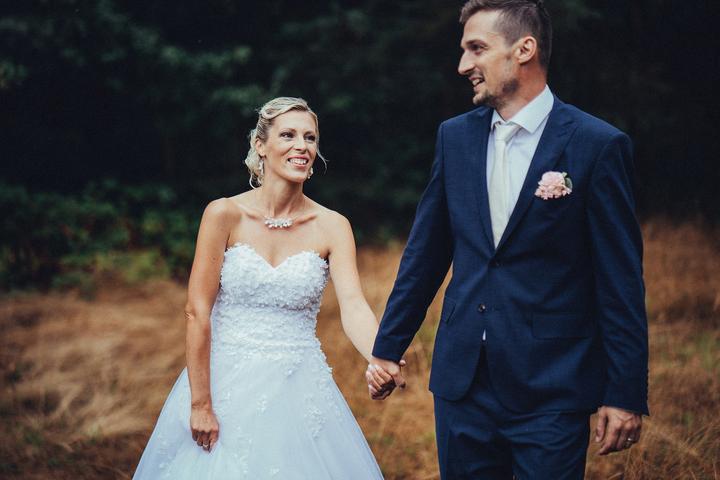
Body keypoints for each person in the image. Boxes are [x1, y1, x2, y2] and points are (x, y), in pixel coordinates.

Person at [368, 1, 649, 478]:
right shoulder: (454, 138)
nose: (463, 65)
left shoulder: (597, 145)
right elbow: (425, 254)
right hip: (462, 385)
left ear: (524, 49)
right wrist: (387, 348)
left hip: (553, 385)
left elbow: (620, 281)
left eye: (477, 48)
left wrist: (624, 392)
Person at [133, 97, 395, 479]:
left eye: (310, 137)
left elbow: (353, 305)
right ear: (261, 145)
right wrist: (201, 403)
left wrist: (380, 356)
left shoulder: (333, 226)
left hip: (299, 387)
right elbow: (197, 311)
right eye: (288, 135)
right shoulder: (224, 214)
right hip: (225, 384)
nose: (302, 146)